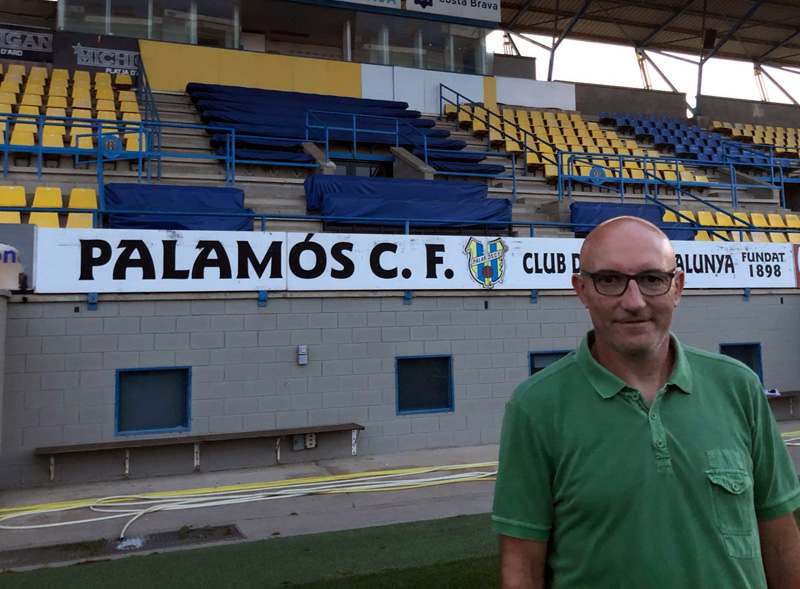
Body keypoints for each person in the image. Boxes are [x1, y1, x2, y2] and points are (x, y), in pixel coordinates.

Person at [492, 216, 800, 588]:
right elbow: (522, 565)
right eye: (609, 280)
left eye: (652, 279)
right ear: (581, 289)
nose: (634, 302)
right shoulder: (536, 407)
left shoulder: (739, 387)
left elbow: (780, 538)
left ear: (677, 286)